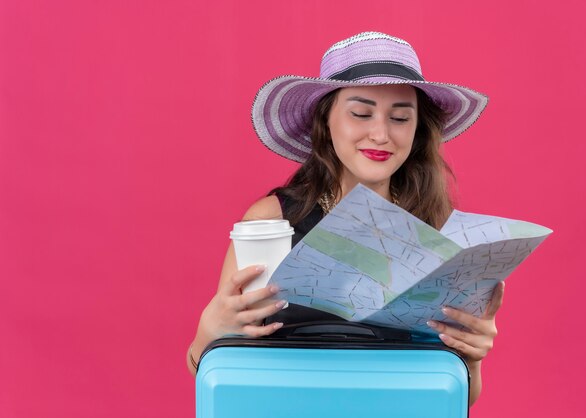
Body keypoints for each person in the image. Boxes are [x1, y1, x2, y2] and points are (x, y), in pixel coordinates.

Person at [187, 31, 504, 406]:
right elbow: (213, 375)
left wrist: (472, 356)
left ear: (417, 130)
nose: (381, 134)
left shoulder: (436, 232)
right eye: (361, 113)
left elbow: (457, 399)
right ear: (326, 121)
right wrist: (210, 330)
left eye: (400, 117)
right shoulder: (271, 223)